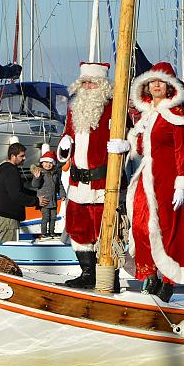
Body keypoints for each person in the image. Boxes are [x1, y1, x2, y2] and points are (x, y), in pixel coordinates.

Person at [124, 61, 184, 303]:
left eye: (161, 81)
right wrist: (126, 146)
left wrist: (182, 184)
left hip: (168, 182)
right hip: (146, 178)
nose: (156, 85)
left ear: (169, 86)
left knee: (169, 230)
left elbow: (183, 151)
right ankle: (150, 274)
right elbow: (141, 147)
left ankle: (168, 281)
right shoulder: (148, 114)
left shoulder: (176, 115)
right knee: (140, 226)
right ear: (146, 86)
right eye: (152, 82)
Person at [57, 62, 123, 289]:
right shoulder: (75, 108)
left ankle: (108, 277)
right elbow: (68, 134)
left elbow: (129, 137)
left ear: (103, 85)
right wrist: (64, 144)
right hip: (77, 183)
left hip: (103, 184)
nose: (87, 87)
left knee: (105, 229)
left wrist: (123, 146)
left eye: (92, 83)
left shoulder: (114, 107)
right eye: (84, 83)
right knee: (77, 227)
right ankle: (87, 273)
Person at [0, 143, 48, 243]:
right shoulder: (10, 171)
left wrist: (36, 194)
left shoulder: (7, 169)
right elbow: (16, 195)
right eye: (21, 156)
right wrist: (36, 201)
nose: (24, 158)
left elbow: (20, 189)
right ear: (13, 156)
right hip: (7, 219)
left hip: (4, 216)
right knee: (9, 250)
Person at [31, 151, 66, 238]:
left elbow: (59, 185)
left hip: (53, 200)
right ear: (42, 163)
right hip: (44, 200)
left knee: (53, 217)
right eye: (46, 162)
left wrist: (62, 195)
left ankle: (51, 232)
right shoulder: (40, 173)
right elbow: (35, 185)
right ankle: (44, 233)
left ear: (53, 164)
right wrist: (37, 178)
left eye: (50, 163)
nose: (48, 165)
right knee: (46, 217)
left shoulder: (55, 174)